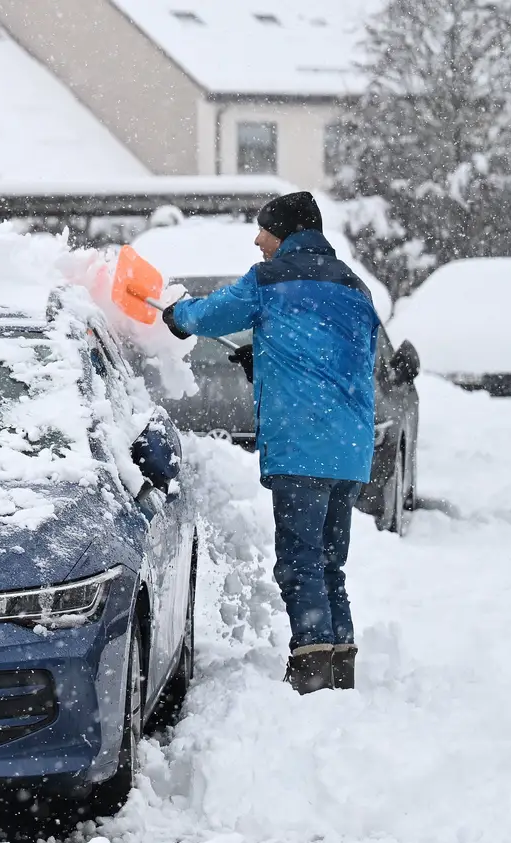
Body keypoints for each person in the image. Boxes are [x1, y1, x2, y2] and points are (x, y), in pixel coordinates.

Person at [162, 191, 380, 694]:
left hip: (302, 444)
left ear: (284, 232)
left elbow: (210, 316)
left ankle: (311, 666)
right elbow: (346, 362)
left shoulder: (270, 279)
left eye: (264, 230)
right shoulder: (354, 287)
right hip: (348, 449)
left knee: (299, 558)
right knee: (329, 559)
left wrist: (178, 316)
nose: (258, 240)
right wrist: (267, 360)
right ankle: (340, 658)